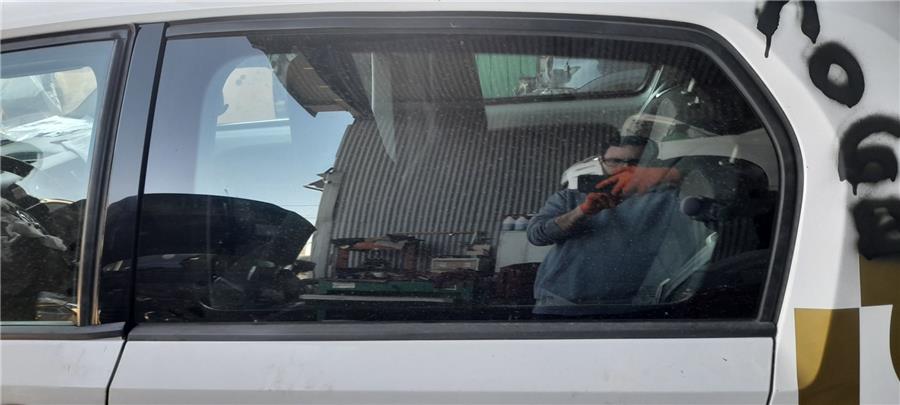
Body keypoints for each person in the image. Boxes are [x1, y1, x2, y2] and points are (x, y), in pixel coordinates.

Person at [527, 133, 684, 316]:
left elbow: (711, 173)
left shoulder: (667, 199)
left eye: (635, 162)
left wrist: (668, 174)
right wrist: (581, 212)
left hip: (635, 308)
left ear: (650, 164)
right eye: (615, 161)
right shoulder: (570, 197)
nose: (624, 168)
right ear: (601, 162)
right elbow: (536, 235)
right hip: (561, 304)